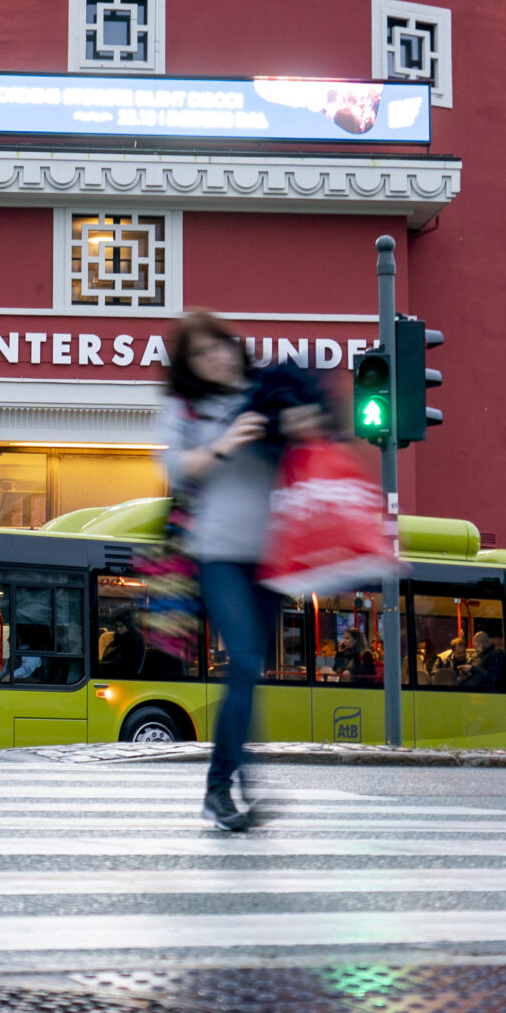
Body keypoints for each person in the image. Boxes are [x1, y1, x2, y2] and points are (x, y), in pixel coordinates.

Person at [158, 309, 325, 831]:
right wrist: (224, 443)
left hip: (273, 554)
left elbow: (317, 445)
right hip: (218, 555)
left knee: (251, 675)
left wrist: (302, 425)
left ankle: (241, 777)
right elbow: (175, 467)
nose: (216, 357)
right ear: (190, 364)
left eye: (221, 346)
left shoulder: (270, 388)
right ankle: (220, 787)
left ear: (236, 346)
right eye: (202, 353)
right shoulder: (186, 408)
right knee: (246, 663)